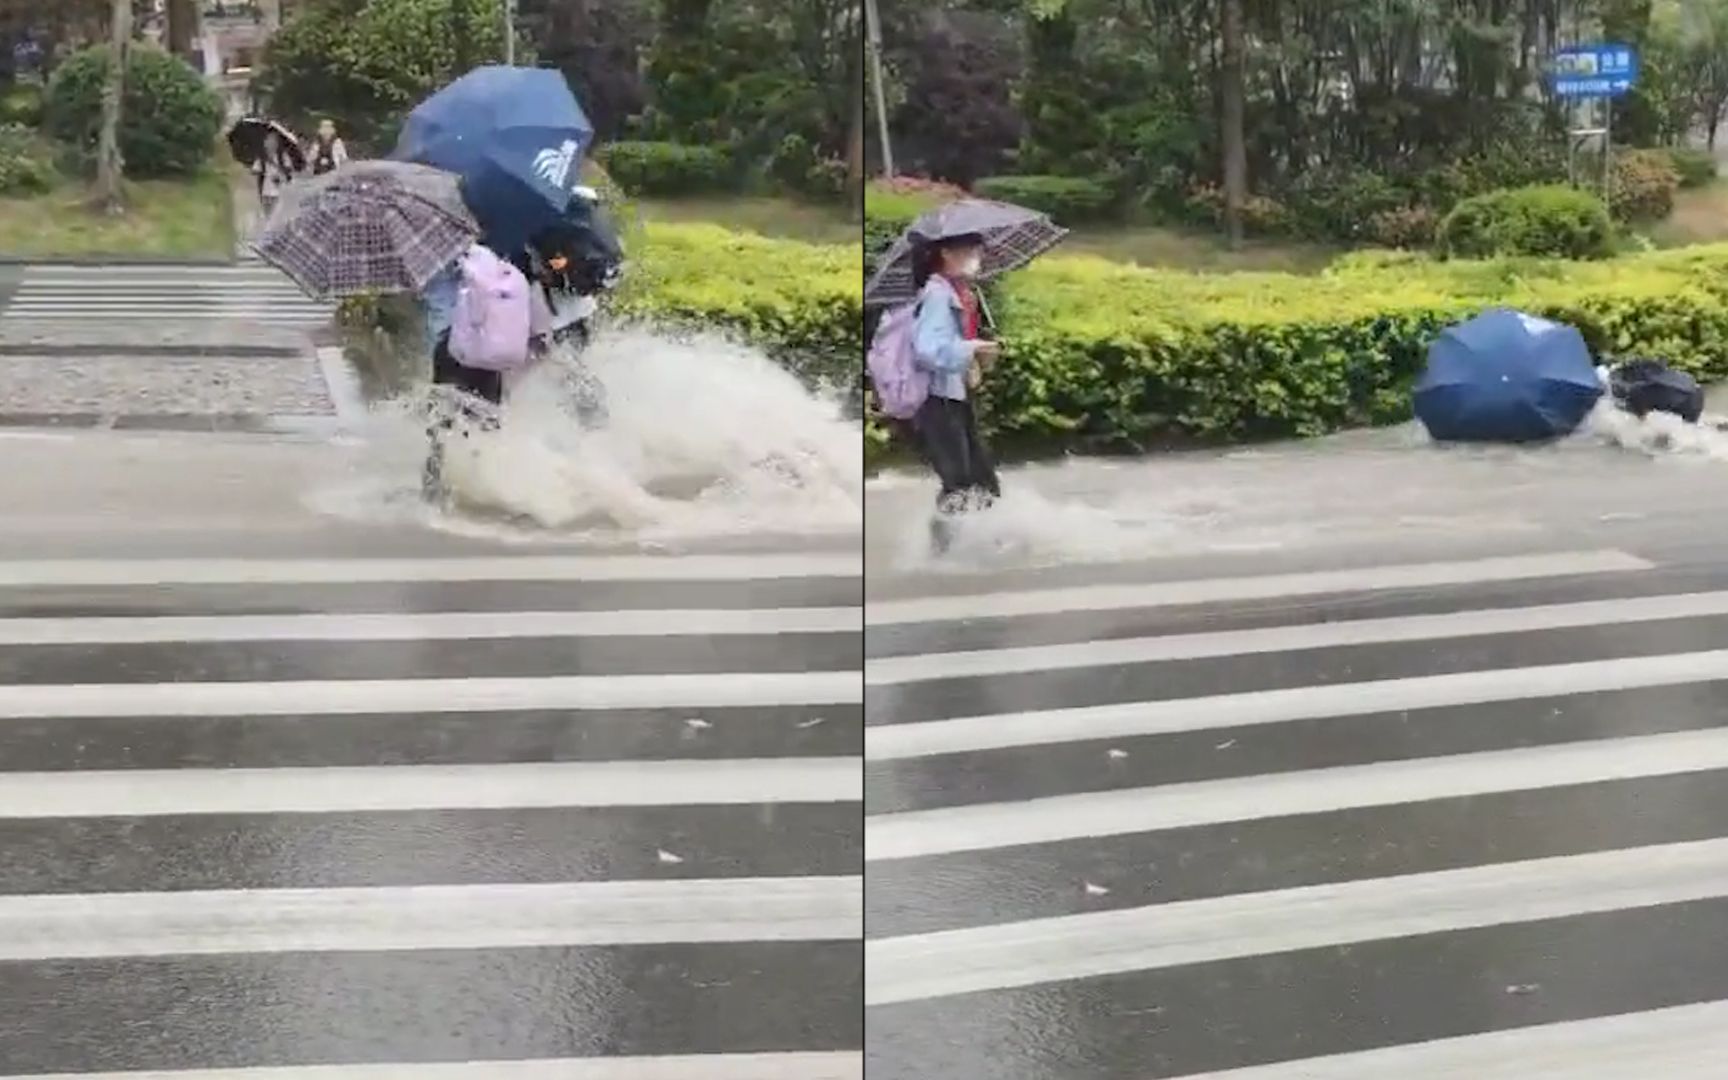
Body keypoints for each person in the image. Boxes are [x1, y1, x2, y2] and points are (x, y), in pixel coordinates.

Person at [910, 232, 1002, 549]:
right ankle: (941, 549)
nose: (977, 256)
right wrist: (970, 348)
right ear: (947, 253)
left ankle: (976, 541)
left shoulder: (958, 292)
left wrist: (976, 354)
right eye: (970, 250)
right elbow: (927, 350)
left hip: (955, 397)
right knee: (959, 482)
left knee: (983, 481)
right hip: (938, 401)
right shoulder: (937, 293)